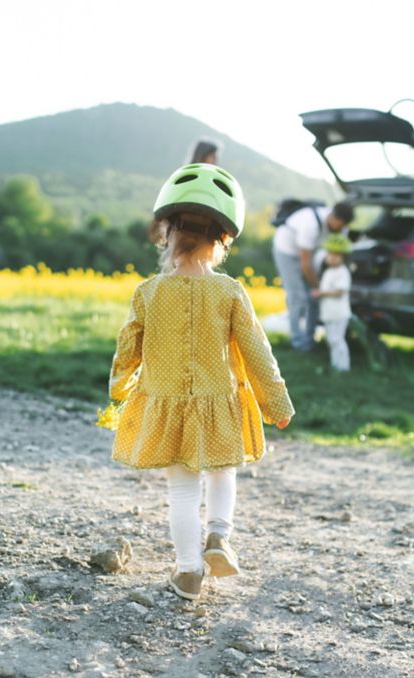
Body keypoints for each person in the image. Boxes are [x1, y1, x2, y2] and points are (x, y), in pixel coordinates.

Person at [107, 163, 295, 602]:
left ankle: (189, 572)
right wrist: (277, 404)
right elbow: (257, 352)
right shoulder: (230, 292)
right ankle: (219, 537)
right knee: (222, 471)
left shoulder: (149, 292)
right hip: (219, 403)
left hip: (168, 405)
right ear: (222, 242)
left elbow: (127, 348)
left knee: (182, 488)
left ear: (166, 232)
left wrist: (118, 388)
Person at [272, 201, 354, 351]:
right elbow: (305, 264)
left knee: (313, 298)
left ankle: (310, 340)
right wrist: (317, 286)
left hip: (311, 253)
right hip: (287, 251)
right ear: (333, 218)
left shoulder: (342, 228)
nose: (342, 229)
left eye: (344, 226)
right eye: (340, 225)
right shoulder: (311, 224)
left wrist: (321, 287)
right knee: (298, 297)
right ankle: (299, 342)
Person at [311, 234, 353, 372]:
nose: (332, 257)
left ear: (343, 258)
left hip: (339, 313)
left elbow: (340, 292)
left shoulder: (342, 272)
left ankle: (344, 366)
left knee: (337, 340)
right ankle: (336, 364)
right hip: (329, 313)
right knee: (332, 340)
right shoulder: (329, 271)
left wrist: (321, 293)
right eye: (330, 254)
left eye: (336, 255)